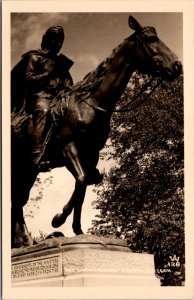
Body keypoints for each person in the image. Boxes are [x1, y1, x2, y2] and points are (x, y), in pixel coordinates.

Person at [11, 26, 74, 171]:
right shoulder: (34, 57)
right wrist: (51, 74)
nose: (58, 44)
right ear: (46, 40)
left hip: (59, 98)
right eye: (55, 39)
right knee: (44, 110)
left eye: (60, 41)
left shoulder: (60, 63)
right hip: (39, 96)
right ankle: (36, 155)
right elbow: (28, 79)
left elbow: (68, 83)